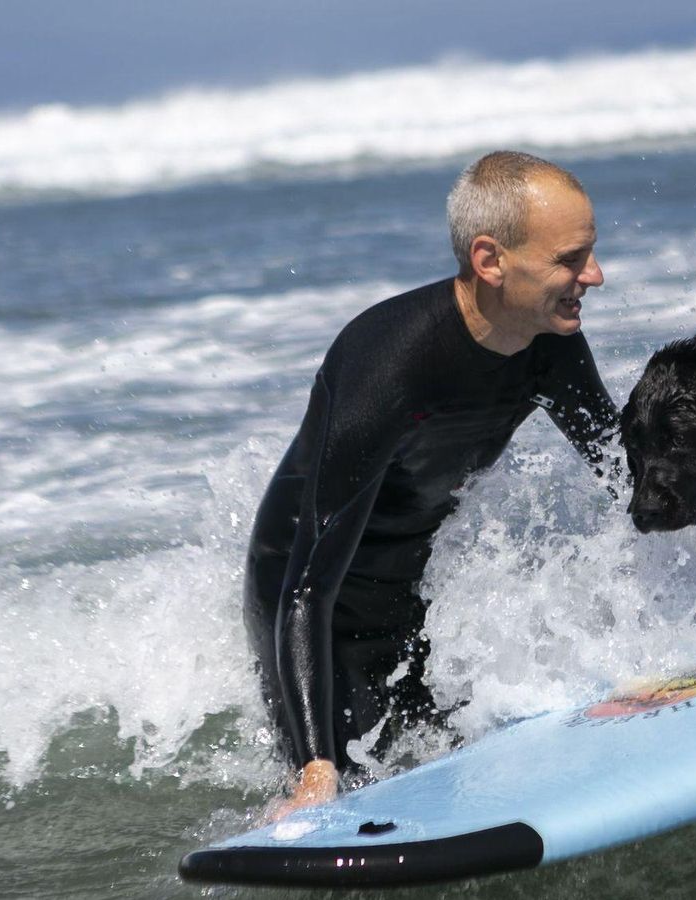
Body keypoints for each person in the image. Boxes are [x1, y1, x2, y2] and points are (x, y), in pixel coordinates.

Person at [242, 151, 617, 818]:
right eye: (570, 259)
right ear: (490, 260)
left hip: (409, 590)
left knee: (439, 769)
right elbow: (305, 588)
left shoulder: (548, 344)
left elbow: (624, 474)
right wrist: (314, 771)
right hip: (308, 610)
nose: (594, 274)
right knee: (343, 785)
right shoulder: (388, 364)